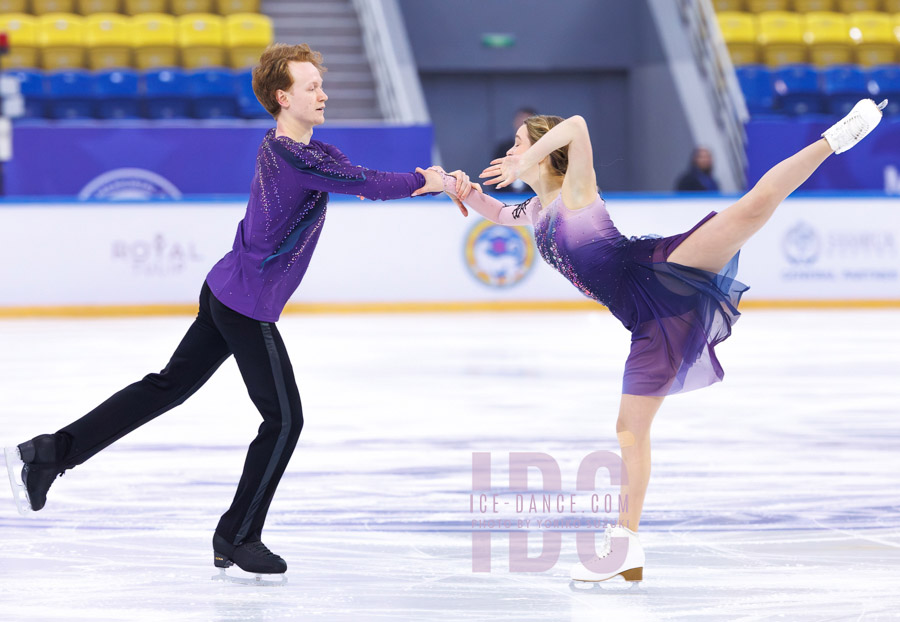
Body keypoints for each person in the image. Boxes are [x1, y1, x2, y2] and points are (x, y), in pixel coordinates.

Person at [3, 43, 447, 584]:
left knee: (164, 387)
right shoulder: (294, 155)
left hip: (226, 289)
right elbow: (366, 186)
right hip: (245, 304)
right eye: (311, 86)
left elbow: (356, 177)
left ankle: (52, 452)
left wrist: (425, 180)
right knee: (284, 420)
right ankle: (236, 534)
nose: (323, 93)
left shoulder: (304, 151)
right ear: (283, 98)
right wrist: (432, 182)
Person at [431, 99, 887, 583]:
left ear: (544, 153)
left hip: (660, 270)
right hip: (647, 322)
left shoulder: (576, 188)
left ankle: (836, 137)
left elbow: (579, 125)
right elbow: (498, 212)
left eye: (521, 144)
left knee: (751, 209)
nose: (512, 150)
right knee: (629, 429)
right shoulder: (537, 209)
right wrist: (458, 188)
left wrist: (527, 155)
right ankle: (626, 546)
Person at [491, 107, 537, 193]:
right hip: (505, 196)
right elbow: (495, 176)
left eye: (527, 122)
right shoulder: (503, 148)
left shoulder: (541, 149)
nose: (522, 125)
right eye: (520, 121)